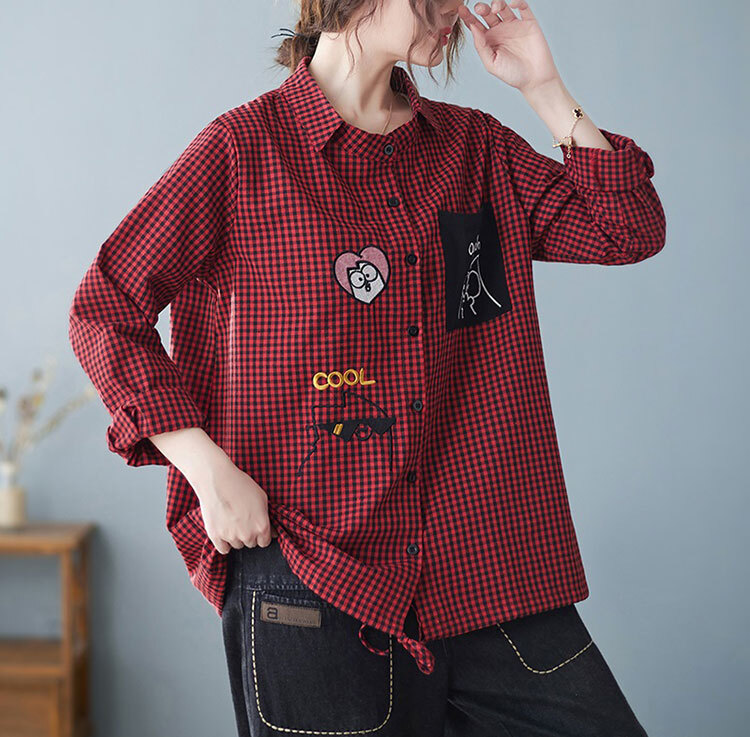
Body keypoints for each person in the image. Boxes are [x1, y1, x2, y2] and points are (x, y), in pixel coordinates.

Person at [68, 0, 665, 735]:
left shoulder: (475, 150)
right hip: (316, 567)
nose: (452, 10)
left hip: (486, 566)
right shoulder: (242, 151)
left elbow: (626, 229)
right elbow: (105, 308)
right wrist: (207, 470)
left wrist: (543, 88)